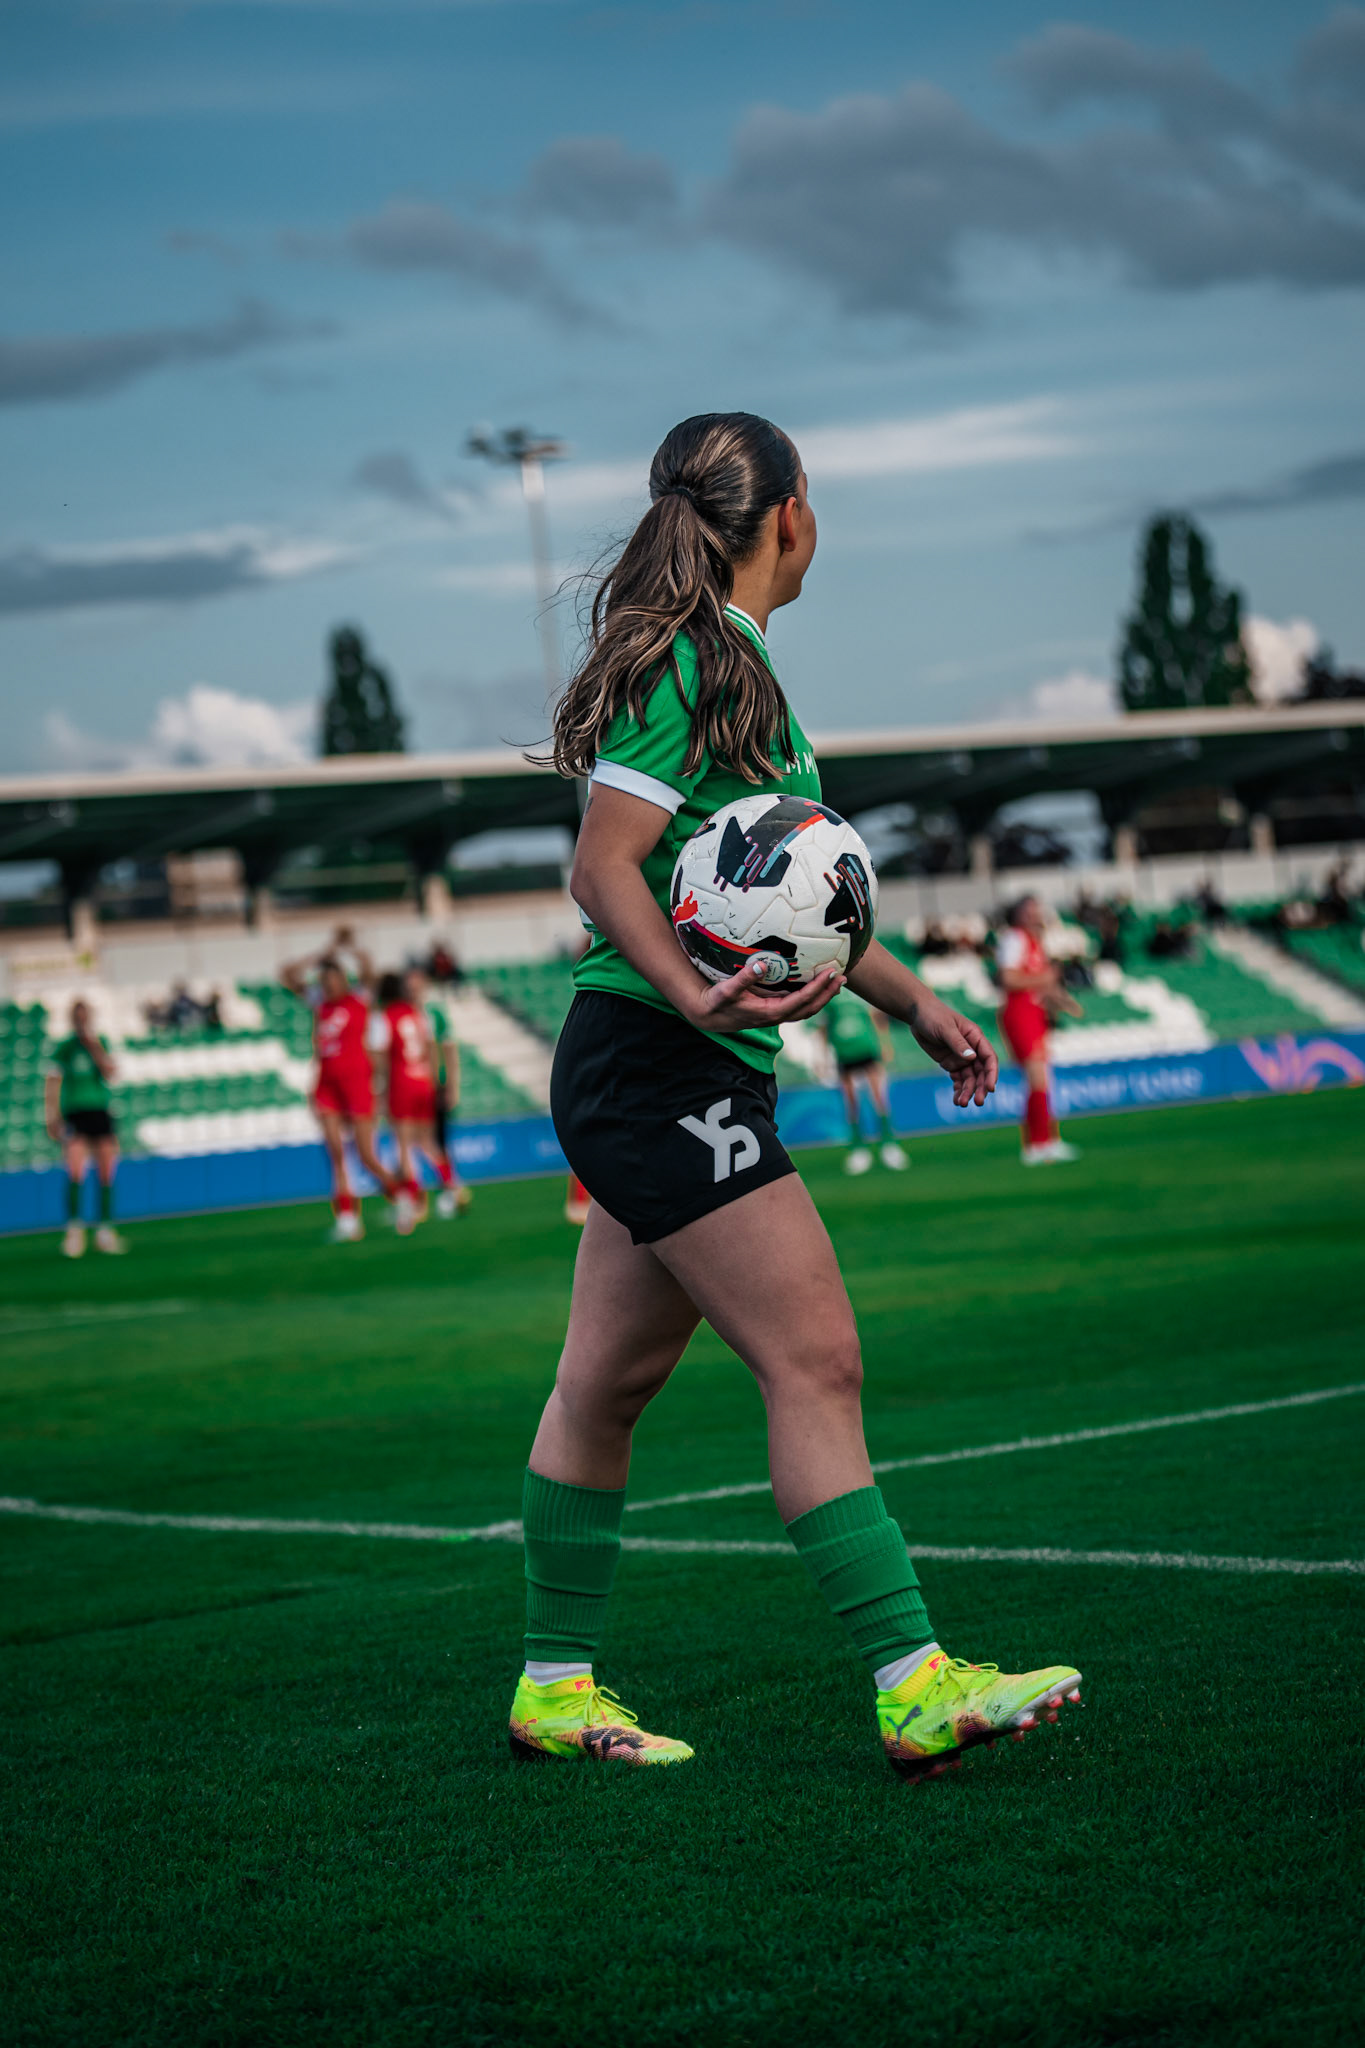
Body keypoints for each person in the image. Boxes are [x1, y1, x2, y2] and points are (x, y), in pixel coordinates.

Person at [506, 412, 1080, 1779]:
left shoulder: (732, 671)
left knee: (605, 1383)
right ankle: (913, 1681)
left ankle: (551, 1684)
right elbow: (606, 867)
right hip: (659, 1068)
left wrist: (920, 1003)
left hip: (663, 1069)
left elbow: (796, 906)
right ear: (792, 515)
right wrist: (695, 997)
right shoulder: (695, 665)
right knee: (814, 1359)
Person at [282, 950, 413, 1242]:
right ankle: (348, 1219)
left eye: (332, 979)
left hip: (357, 1084)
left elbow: (368, 966)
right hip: (326, 1083)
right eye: (324, 980)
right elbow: (287, 975)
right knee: (337, 1154)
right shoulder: (320, 1004)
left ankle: (401, 1197)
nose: (328, 985)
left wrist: (345, 947)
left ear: (343, 979)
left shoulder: (359, 1000)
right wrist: (318, 955)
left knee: (366, 1155)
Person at [996, 895, 1082, 1166]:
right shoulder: (1014, 939)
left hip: (1035, 1012)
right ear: (1019, 914)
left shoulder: (1035, 943)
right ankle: (1036, 1144)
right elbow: (1008, 978)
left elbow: (1042, 983)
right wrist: (1045, 978)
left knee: (1043, 1079)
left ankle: (1047, 1141)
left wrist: (1063, 1000)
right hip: (1019, 1012)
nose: (1035, 915)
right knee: (1036, 1077)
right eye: (1030, 910)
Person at [45, 999, 126, 1257]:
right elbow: (53, 1080)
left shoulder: (99, 1042)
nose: (81, 1021)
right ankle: (75, 1230)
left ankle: (104, 1230)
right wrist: (53, 1115)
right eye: (77, 1017)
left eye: (84, 1016)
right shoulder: (65, 1048)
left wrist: (95, 1048)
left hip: (99, 1112)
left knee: (106, 1171)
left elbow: (110, 1073)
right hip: (76, 1113)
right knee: (75, 1170)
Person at [821, 989, 907, 1174]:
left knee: (879, 1098)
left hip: (867, 1048)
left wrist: (884, 1043)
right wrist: (823, 1055)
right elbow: (824, 1026)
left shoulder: (860, 990)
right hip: (843, 1053)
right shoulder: (830, 992)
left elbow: (877, 1018)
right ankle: (859, 1149)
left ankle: (889, 1145)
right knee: (851, 1102)